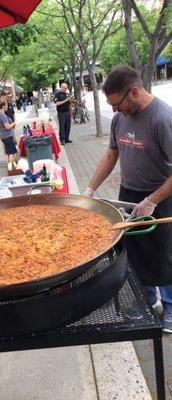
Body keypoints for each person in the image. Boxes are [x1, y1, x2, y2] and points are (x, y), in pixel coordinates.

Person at [83, 65, 172, 333]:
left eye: (117, 104)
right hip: (128, 195)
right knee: (133, 252)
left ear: (134, 92)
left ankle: (170, 306)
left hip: (160, 197)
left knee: (164, 254)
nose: (114, 111)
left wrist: (152, 200)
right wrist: (90, 189)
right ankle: (145, 301)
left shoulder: (162, 118)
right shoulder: (119, 119)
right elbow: (112, 154)